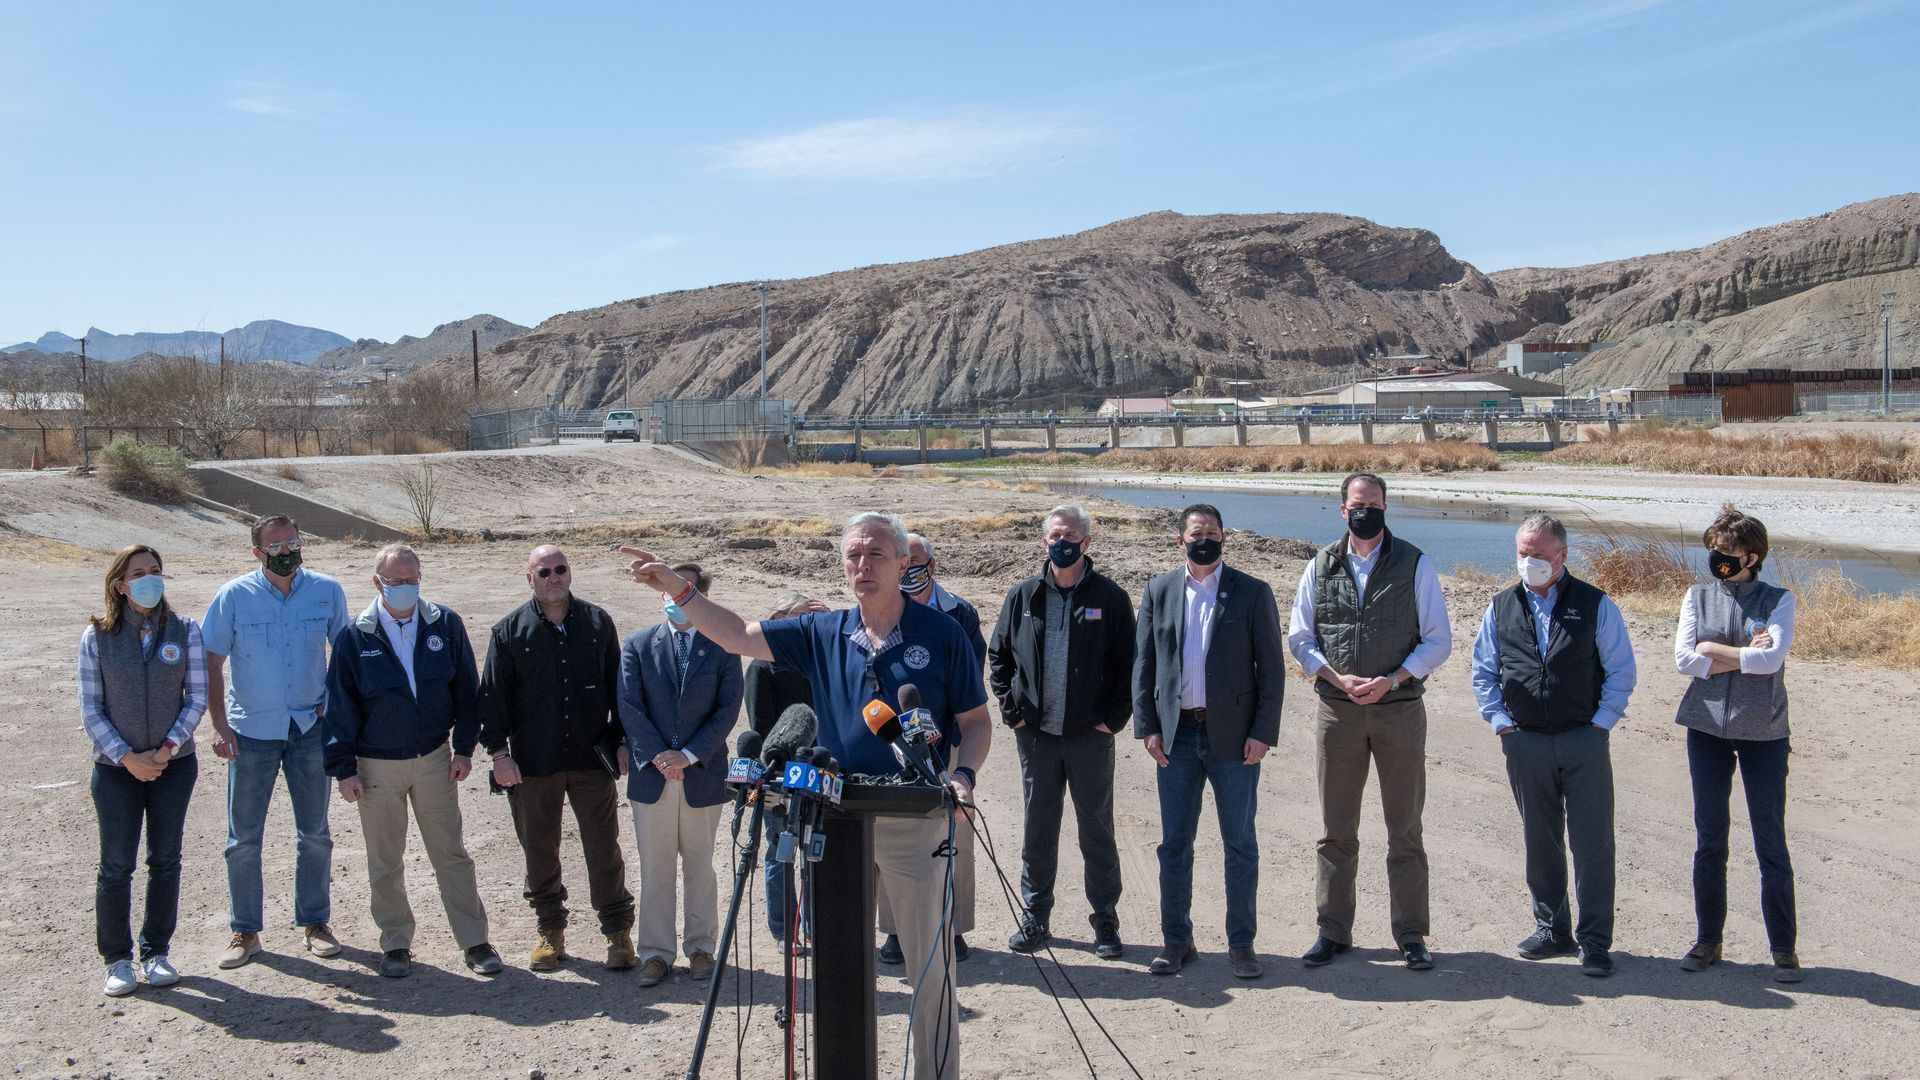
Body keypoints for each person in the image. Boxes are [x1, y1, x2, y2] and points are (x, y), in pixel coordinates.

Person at [622, 512, 990, 1080]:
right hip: (835, 821)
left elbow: (974, 720)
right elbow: (737, 635)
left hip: (916, 820)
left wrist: (963, 774)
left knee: (930, 971)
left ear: (902, 562)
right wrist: (680, 588)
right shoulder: (823, 631)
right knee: (839, 967)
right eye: (853, 556)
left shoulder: (942, 634)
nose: (863, 566)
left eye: (875, 555)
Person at [1285, 473, 1452, 971]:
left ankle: (1411, 935)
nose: (1366, 512)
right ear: (1342, 510)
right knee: (1336, 829)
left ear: (1385, 507)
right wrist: (1336, 678)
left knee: (1405, 828)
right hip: (1337, 713)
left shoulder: (1415, 564)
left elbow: (1437, 640)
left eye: (1375, 504)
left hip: (1399, 712)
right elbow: (1299, 637)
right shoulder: (1320, 565)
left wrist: (1393, 679)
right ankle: (1333, 931)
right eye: (1358, 504)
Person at [1470, 515, 1637, 978]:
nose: (1529, 563)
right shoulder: (1500, 606)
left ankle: (1596, 940)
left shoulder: (1595, 604)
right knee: (1539, 839)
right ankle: (1551, 928)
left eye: (1539, 555)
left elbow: (1620, 669)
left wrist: (1601, 725)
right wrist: (1501, 724)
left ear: (1562, 556)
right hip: (1524, 742)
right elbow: (1484, 671)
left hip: (1583, 739)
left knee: (1592, 843)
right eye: (1523, 554)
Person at [323, 544, 498, 978]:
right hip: (376, 765)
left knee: (451, 853)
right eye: (397, 581)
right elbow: (339, 706)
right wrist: (343, 769)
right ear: (377, 582)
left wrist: (464, 748)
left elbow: (466, 691)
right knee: (386, 860)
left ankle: (475, 941)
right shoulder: (353, 637)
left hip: (436, 758)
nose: (406, 588)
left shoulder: (446, 623)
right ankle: (396, 943)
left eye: (413, 579)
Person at [1133, 503, 1285, 978]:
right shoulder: (1159, 591)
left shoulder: (1253, 592)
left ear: (1225, 538)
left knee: (1240, 843)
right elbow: (1144, 665)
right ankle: (1176, 941)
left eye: (1213, 532)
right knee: (1174, 843)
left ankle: (1242, 944)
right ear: (1179, 540)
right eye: (1196, 532)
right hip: (1177, 737)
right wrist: (1148, 726)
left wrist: (1263, 732)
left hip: (1235, 738)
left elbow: (1272, 670)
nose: (1205, 539)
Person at [477, 544, 635, 972]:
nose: (553, 578)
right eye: (543, 571)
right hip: (533, 762)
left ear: (570, 573)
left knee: (603, 848)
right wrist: (498, 755)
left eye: (560, 569)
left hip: (590, 760)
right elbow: (492, 698)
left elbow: (619, 689)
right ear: (529, 578)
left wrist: (622, 740)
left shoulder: (598, 623)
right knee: (539, 848)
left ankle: (618, 933)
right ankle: (550, 930)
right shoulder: (508, 632)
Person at [201, 514, 348, 968]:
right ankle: (245, 931)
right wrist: (220, 726)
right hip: (252, 734)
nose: (287, 552)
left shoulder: (326, 590)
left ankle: (315, 922)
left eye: (293, 543)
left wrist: (334, 711)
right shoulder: (233, 597)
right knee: (243, 837)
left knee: (315, 834)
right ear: (257, 553)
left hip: (309, 730)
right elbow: (210, 661)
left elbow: (345, 656)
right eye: (276, 547)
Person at [988, 504, 1135, 959]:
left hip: (1090, 738)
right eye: (1054, 536)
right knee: (1038, 828)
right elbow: (999, 657)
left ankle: (1105, 922)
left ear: (1087, 542)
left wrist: (1112, 720)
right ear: (1044, 541)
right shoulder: (1023, 595)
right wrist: (1013, 712)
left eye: (1070, 535)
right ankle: (1036, 917)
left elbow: (1130, 667)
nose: (1061, 543)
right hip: (1036, 738)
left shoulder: (1109, 598)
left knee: (1096, 830)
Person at [1672, 506, 1802, 982]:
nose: (1717, 559)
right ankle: (1708, 941)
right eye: (1713, 551)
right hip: (1705, 729)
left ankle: (1784, 948)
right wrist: (1742, 654)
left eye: (1725, 553)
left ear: (1752, 556)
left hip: (1764, 732)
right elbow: (1686, 661)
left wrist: (1715, 651)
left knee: (1771, 841)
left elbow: (1771, 663)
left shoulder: (1778, 599)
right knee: (1710, 839)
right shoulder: (1697, 596)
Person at [80, 545, 207, 997]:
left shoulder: (186, 630)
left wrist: (168, 748)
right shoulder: (97, 637)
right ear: (120, 584)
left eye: (156, 570)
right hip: (115, 770)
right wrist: (127, 756)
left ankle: (156, 952)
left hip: (175, 766)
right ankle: (117, 959)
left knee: (165, 859)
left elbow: (196, 697)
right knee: (116, 865)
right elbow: (91, 710)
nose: (150, 579)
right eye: (139, 573)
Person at [620, 562, 744, 988]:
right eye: (667, 592)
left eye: (683, 592)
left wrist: (688, 756)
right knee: (654, 869)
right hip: (652, 777)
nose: (673, 600)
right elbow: (630, 708)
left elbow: (727, 711)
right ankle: (655, 954)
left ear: (699, 597)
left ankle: (701, 948)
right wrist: (660, 756)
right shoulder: (637, 645)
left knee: (700, 866)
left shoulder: (724, 647)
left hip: (702, 775)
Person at [879, 531, 980, 965]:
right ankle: (897, 930)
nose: (908, 569)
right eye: (902, 561)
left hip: (948, 745)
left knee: (952, 836)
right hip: (893, 746)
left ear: (931, 565)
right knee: (893, 834)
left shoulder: (959, 613)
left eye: (915, 561)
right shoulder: (881, 612)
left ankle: (952, 926)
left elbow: (971, 680)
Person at [743, 591, 826, 949]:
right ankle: (784, 930)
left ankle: (815, 926)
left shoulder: (819, 661)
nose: (807, 624)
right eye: (802, 616)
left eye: (813, 618)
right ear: (779, 619)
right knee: (781, 849)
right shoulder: (762, 666)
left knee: (817, 852)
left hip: (820, 770)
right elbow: (761, 726)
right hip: (779, 773)